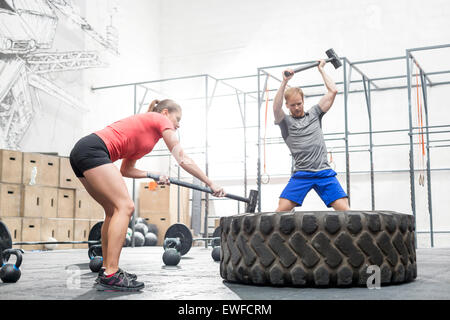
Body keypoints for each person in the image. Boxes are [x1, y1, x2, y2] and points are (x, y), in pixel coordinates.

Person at [69, 99, 226, 291]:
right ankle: (112, 272)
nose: (178, 124)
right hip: (94, 150)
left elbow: (126, 170)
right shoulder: (159, 119)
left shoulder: (148, 140)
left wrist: (154, 175)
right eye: (178, 119)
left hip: (82, 152)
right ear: (166, 113)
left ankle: (106, 270)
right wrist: (210, 183)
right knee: (126, 207)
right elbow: (182, 159)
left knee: (112, 210)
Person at [273, 60, 350, 212]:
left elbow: (333, 91)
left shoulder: (314, 113)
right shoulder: (285, 122)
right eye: (293, 105)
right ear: (287, 105)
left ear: (303, 101)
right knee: (280, 212)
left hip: (324, 172)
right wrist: (284, 82)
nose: (296, 107)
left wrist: (321, 69)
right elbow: (276, 107)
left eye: (299, 103)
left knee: (346, 212)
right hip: (302, 174)